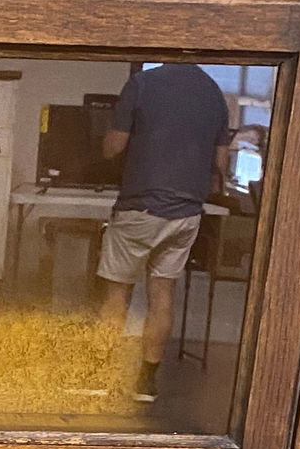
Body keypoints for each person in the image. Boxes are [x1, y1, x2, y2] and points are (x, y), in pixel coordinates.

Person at [98, 62, 232, 402]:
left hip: (141, 207)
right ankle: (146, 383)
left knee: (117, 294)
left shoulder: (142, 83)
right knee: (162, 295)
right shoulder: (213, 91)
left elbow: (114, 147)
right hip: (187, 214)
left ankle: (99, 374)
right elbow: (221, 163)